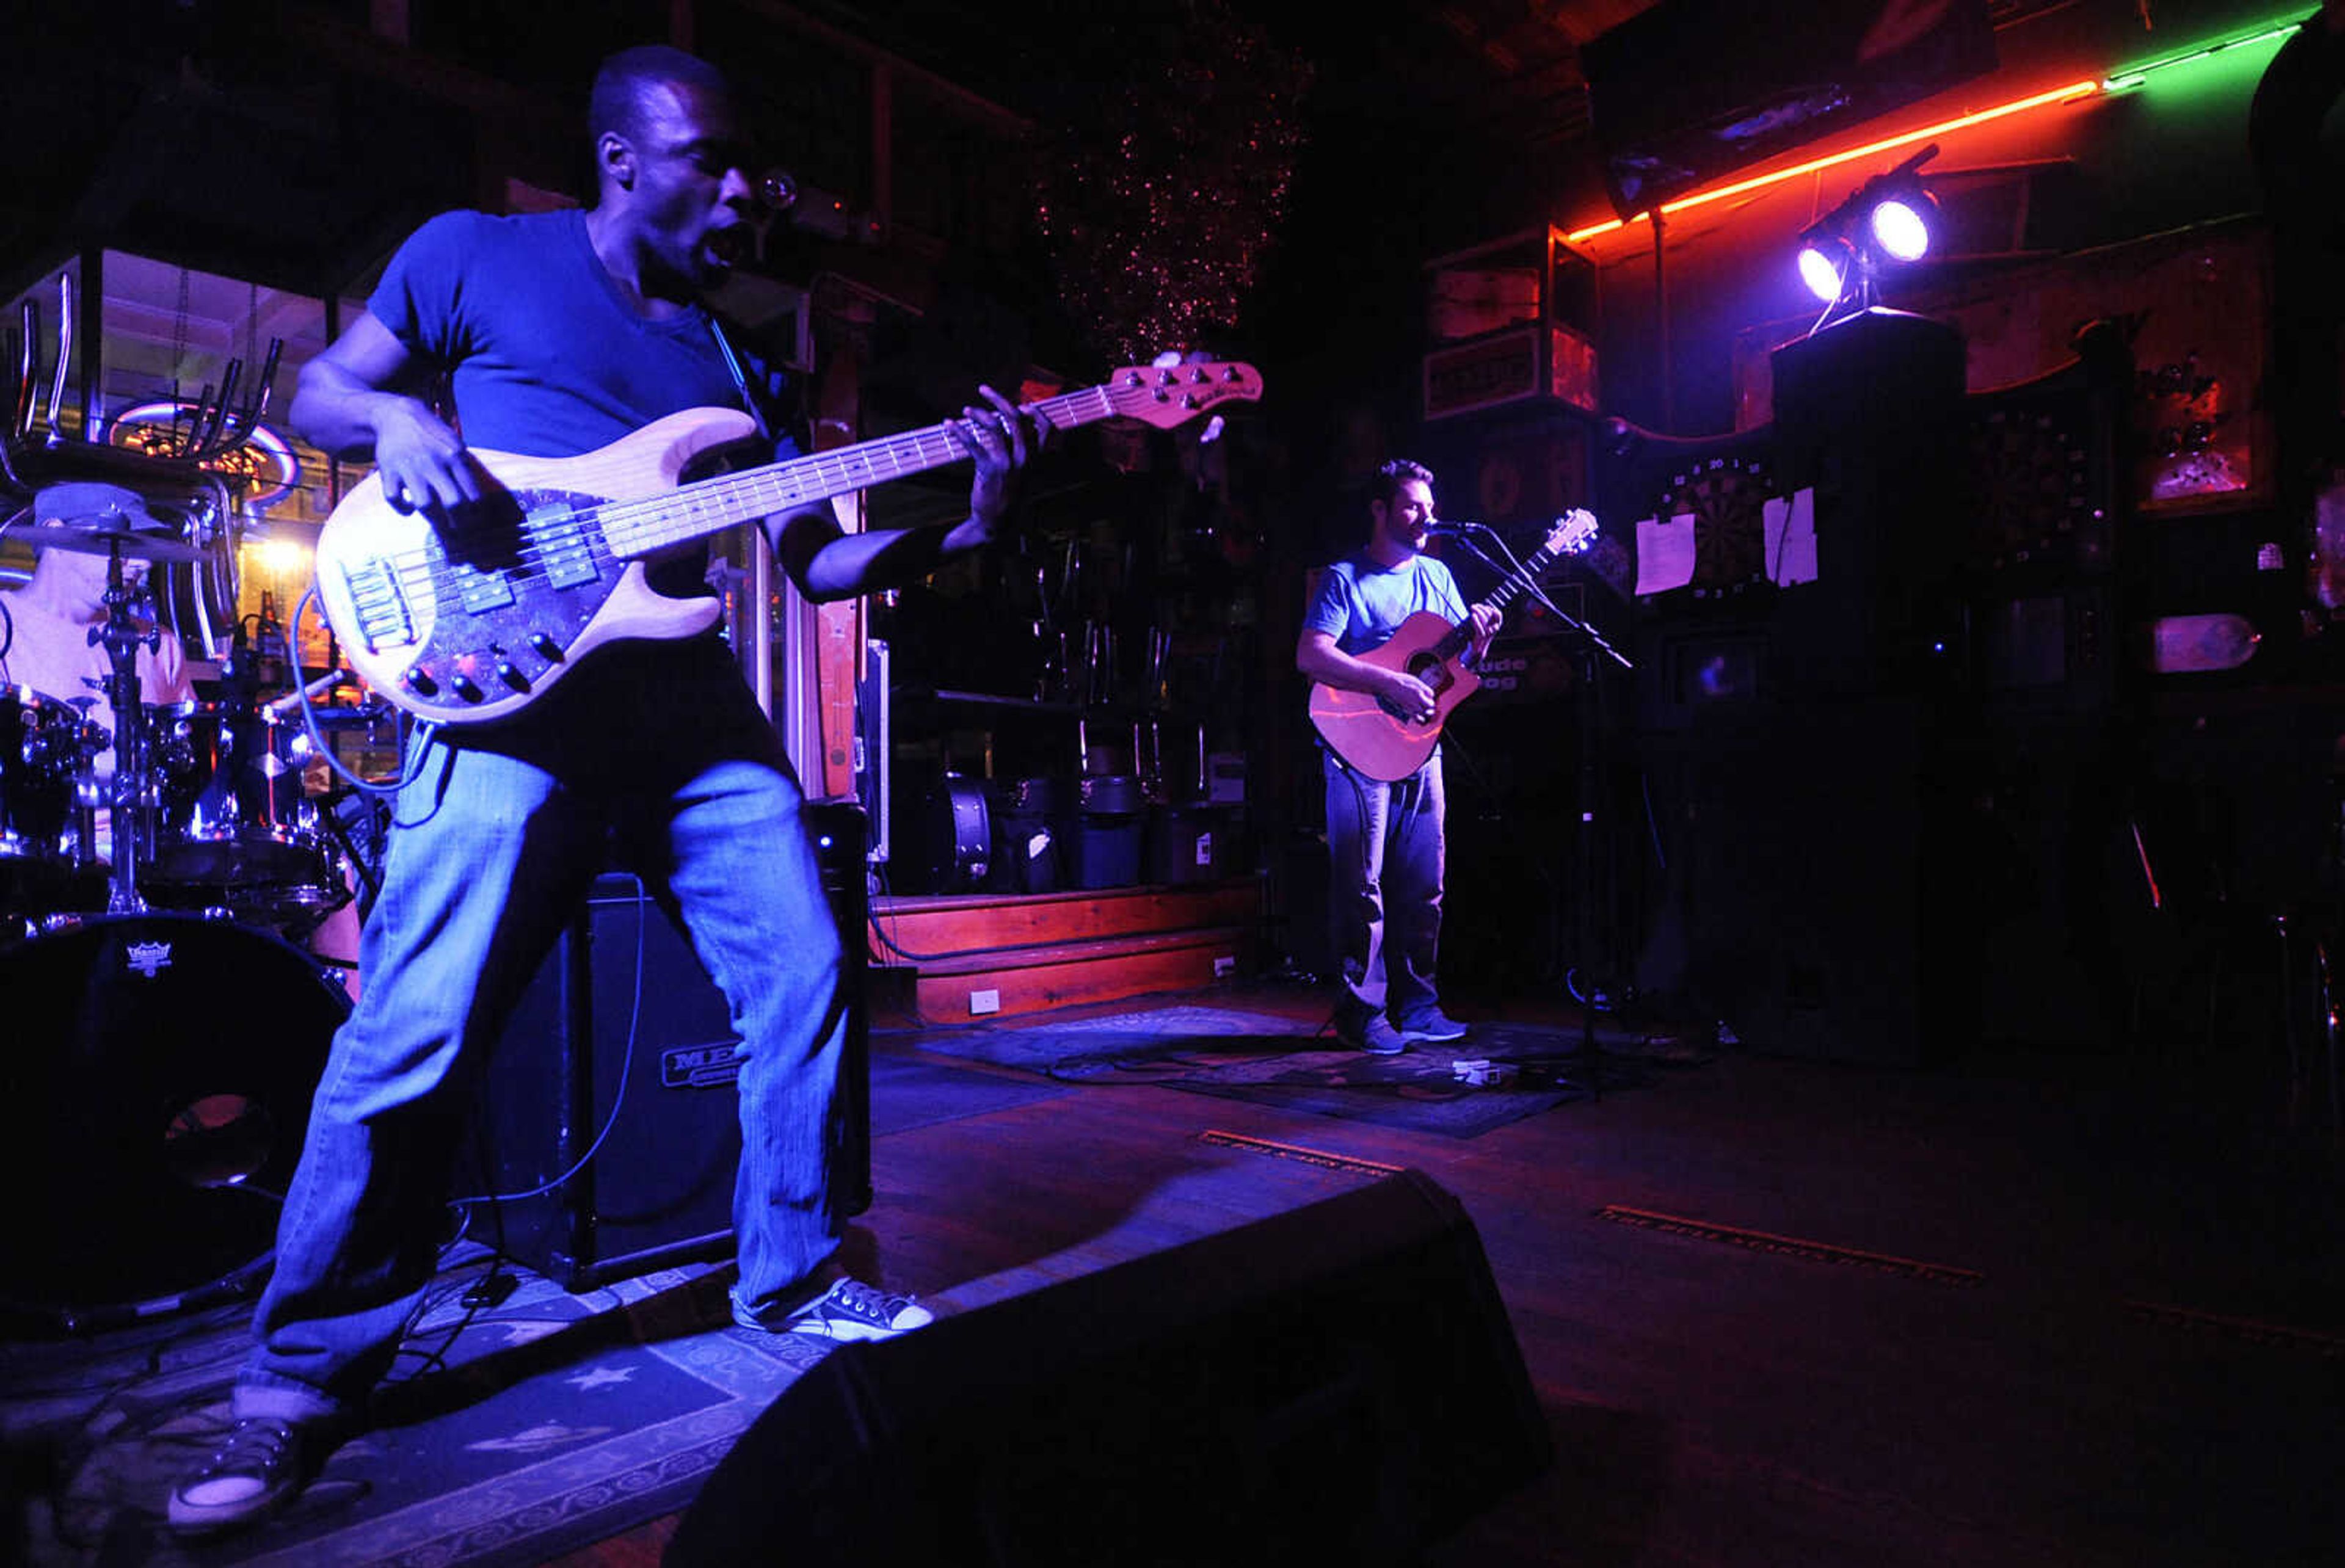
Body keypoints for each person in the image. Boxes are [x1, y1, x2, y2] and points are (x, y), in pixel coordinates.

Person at [167, 43, 1047, 1536]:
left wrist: (961, 517)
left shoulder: (733, 355)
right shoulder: (476, 258)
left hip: (687, 711)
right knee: (415, 1028)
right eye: (710, 158)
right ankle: (297, 1377)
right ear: (623, 156)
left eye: (743, 163)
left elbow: (814, 561)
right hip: (505, 697)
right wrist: (394, 422)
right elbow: (326, 386)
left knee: (804, 967)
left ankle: (795, 1273)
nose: (738, 189)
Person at [1295, 459, 1498, 1055]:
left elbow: (1455, 674)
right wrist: (1385, 683)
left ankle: (1420, 1007)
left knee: (1424, 885)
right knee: (1363, 888)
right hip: (1356, 749)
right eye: (1410, 505)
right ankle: (1362, 1014)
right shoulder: (1343, 578)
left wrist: (1480, 643)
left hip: (1421, 748)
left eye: (1428, 505)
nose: (1425, 516)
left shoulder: (1437, 574)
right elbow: (1311, 655)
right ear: (1380, 510)